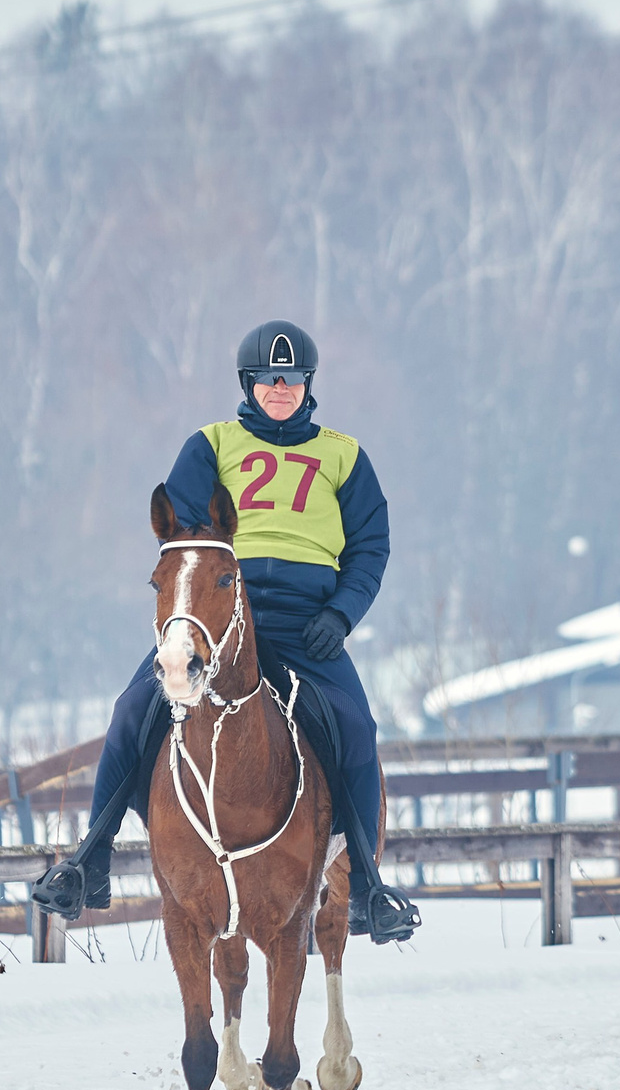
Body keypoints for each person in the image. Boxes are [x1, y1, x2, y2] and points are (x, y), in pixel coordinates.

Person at [32, 319, 421, 943]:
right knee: (134, 707)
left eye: (291, 379)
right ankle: (90, 860)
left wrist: (341, 614)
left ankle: (369, 888)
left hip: (306, 626)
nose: (280, 388)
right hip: (221, 617)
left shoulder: (344, 456)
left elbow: (371, 546)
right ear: (248, 383)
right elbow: (185, 536)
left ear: (307, 385)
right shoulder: (210, 446)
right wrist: (203, 606)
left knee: (356, 728)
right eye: (268, 378)